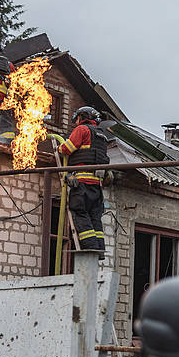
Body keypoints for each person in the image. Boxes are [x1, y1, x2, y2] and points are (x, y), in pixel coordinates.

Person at [52, 106, 111, 253]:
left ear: (82, 117)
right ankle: (99, 250)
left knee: (80, 213)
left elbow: (67, 149)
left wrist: (59, 148)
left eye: (77, 119)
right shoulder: (102, 136)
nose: (76, 122)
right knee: (95, 218)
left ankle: (90, 248)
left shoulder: (82, 130)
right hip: (97, 186)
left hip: (82, 183)